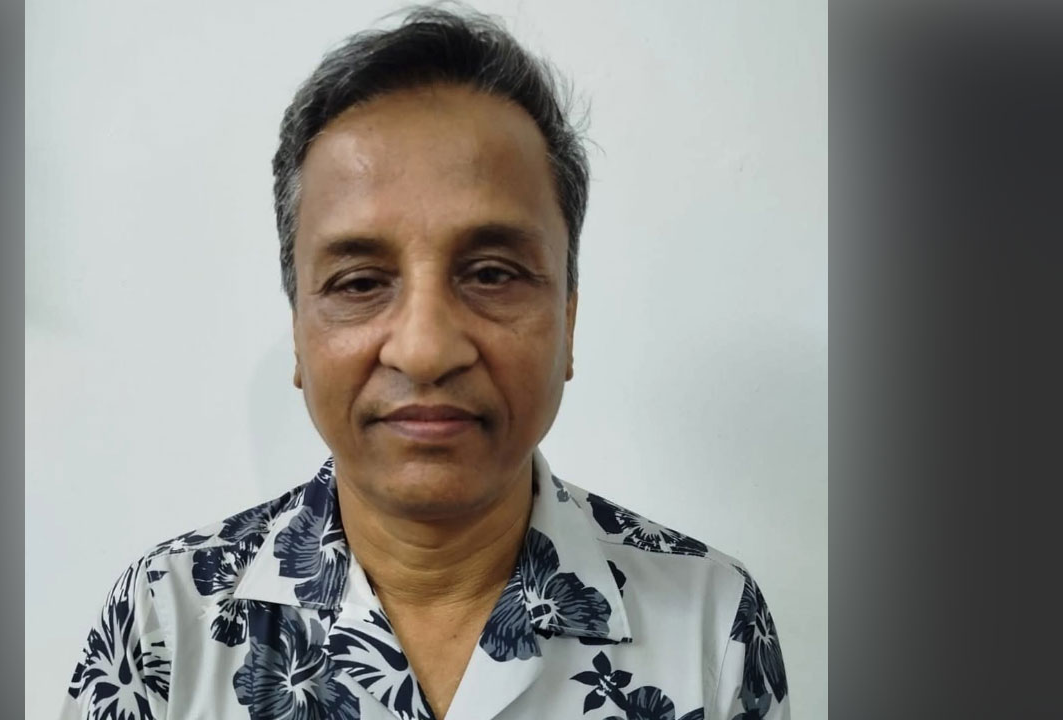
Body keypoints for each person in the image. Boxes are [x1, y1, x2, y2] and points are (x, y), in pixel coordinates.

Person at [59, 7, 789, 720]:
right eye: (359, 283)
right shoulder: (165, 624)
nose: (425, 349)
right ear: (298, 331)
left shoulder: (710, 624)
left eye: (493, 274)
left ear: (568, 320)